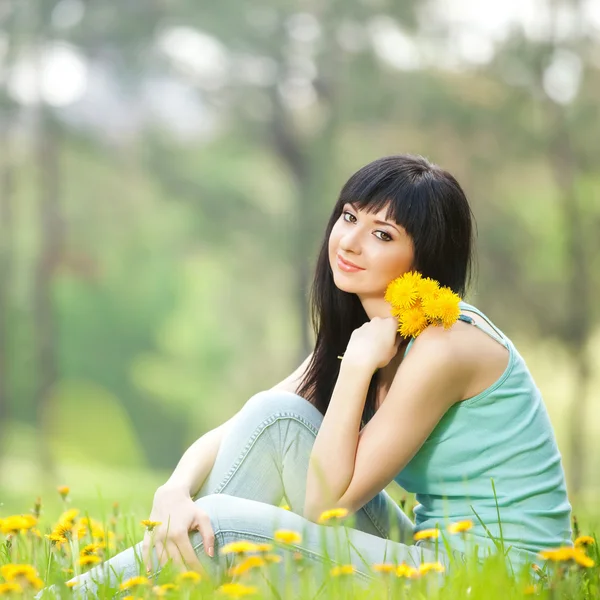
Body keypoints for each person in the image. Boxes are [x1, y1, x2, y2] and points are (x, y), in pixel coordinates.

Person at [58, 154, 572, 596]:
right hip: (431, 551)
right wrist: (174, 490)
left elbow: (324, 502)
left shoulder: (443, 345)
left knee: (222, 524)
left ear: (424, 256)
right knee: (275, 416)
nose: (350, 242)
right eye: (349, 216)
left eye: (382, 234)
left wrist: (359, 366)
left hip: (495, 580)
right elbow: (250, 423)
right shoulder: (377, 332)